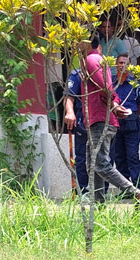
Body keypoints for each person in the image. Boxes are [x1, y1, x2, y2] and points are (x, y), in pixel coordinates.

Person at [81, 37, 140, 203]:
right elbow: (110, 90)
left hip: (101, 118)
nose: (76, 45)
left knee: (101, 163)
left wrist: (114, 105)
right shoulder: (100, 62)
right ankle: (98, 205)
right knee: (94, 165)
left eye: (79, 41)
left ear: (89, 43)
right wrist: (115, 105)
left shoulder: (92, 59)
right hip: (100, 119)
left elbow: (106, 88)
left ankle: (136, 192)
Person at [111, 53, 140, 191]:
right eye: (120, 63)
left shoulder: (136, 85)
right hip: (115, 123)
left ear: (130, 66)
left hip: (131, 124)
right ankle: (125, 190)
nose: (122, 66)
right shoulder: (111, 83)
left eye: (125, 63)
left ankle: (137, 189)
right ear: (116, 65)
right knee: (119, 157)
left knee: (132, 156)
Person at [63, 64, 91, 196]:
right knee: (81, 157)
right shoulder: (77, 75)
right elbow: (69, 97)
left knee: (104, 158)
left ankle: (102, 191)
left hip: (102, 118)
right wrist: (70, 112)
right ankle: (83, 191)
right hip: (83, 118)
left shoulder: (103, 73)